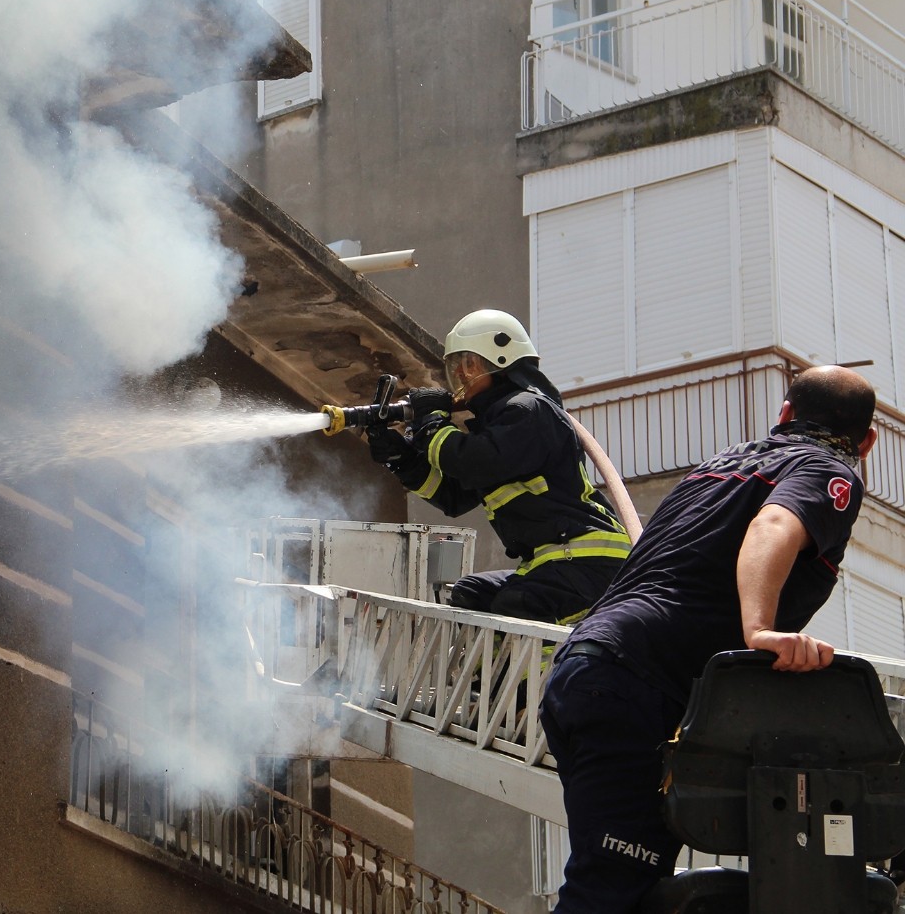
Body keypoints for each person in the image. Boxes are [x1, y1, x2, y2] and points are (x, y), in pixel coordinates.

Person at [541, 365, 876, 914]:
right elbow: (773, 527)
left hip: (585, 668)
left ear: (785, 414)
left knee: (628, 885)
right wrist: (761, 630)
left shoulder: (716, 467)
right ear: (867, 440)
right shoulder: (828, 469)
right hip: (638, 683)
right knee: (610, 891)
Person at [365, 309, 631, 624]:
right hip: (552, 563)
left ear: (501, 360)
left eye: (468, 363)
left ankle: (538, 673)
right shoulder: (497, 429)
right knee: (472, 594)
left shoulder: (529, 409)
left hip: (591, 561)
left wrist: (431, 423)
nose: (461, 375)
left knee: (517, 604)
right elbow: (454, 497)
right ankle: (483, 673)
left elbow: (472, 462)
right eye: (456, 366)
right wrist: (402, 459)